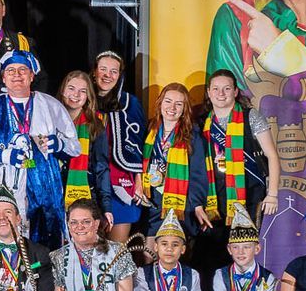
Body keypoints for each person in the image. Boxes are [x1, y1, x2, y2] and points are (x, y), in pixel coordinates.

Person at [0, 50, 78, 246]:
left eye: (23, 70)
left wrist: (59, 144)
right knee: (5, 241)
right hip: (4, 186)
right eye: (11, 70)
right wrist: (2, 156)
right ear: (3, 77)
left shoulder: (50, 105)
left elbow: (75, 147)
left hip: (44, 189)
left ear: (32, 76)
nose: (17, 75)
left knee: (44, 245)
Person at [191, 69, 281, 258]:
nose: (221, 93)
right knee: (211, 254)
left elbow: (272, 156)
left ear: (235, 91)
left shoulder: (251, 117)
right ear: (208, 93)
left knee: (243, 252)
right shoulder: (202, 122)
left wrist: (272, 194)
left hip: (248, 194)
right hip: (213, 197)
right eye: (216, 89)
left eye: (226, 88)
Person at [55, 199, 139, 291]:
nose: (79, 227)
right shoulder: (57, 257)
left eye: (86, 222)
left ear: (96, 223)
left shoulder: (118, 251)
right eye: (73, 222)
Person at [92, 52, 147, 244]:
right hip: (89, 179)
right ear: (94, 72)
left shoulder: (130, 103)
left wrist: (139, 180)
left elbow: (139, 144)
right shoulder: (82, 99)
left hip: (121, 180)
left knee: (116, 248)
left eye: (113, 71)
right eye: (103, 69)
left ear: (120, 76)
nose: (107, 75)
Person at [57, 69, 118, 228]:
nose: (76, 94)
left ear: (88, 97)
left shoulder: (95, 126)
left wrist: (106, 206)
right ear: (63, 90)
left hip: (86, 197)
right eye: (71, 88)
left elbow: (101, 168)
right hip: (53, 195)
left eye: (82, 91)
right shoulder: (48, 120)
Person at [138, 83, 194, 238]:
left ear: (184, 108)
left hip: (176, 201)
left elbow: (197, 174)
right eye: (168, 101)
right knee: (149, 249)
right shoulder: (148, 128)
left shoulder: (192, 134)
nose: (172, 107)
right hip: (150, 199)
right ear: (160, 102)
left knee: (170, 247)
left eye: (179, 104)